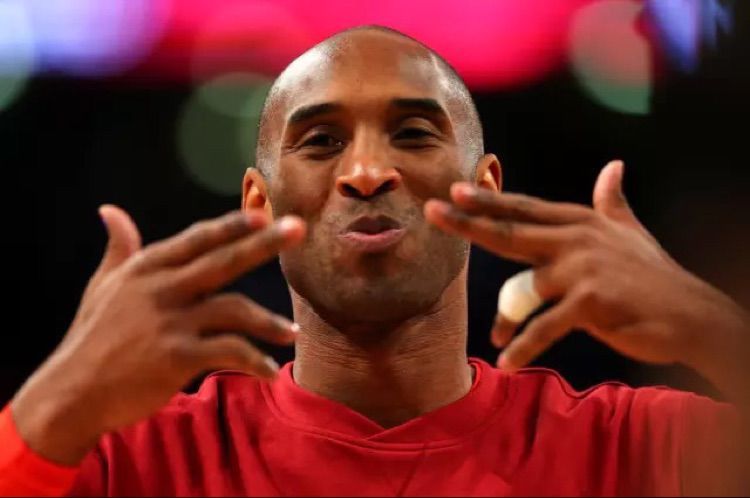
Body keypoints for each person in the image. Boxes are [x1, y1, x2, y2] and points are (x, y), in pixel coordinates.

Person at [1, 25, 748, 496]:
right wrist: (62, 394)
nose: (365, 172)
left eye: (414, 134)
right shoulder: (130, 461)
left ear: (486, 192)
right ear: (259, 203)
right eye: (321, 141)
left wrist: (709, 326)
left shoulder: (641, 449)